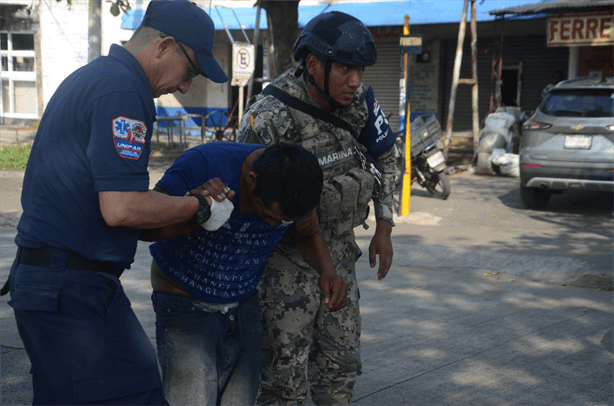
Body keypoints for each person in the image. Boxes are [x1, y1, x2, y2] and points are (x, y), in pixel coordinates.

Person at [0, 1, 229, 404]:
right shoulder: (124, 89)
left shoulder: (100, 77)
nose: (184, 87)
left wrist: (180, 213)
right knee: (136, 392)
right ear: (164, 46)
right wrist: (199, 206)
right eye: (190, 71)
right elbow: (122, 208)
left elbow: (121, 213)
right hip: (70, 289)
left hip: (56, 283)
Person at [236, 11, 396, 405]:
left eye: (359, 70)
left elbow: (387, 157)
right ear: (313, 64)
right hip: (284, 267)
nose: (355, 80)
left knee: (340, 368)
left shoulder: (358, 102)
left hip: (340, 257)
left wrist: (385, 225)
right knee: (283, 382)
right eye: (345, 69)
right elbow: (245, 199)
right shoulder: (269, 118)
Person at [140, 142, 347, 406]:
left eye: (282, 221)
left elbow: (308, 231)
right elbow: (142, 227)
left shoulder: (298, 186)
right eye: (269, 215)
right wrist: (196, 207)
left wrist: (327, 271)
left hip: (243, 304)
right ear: (251, 181)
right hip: (184, 303)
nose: (272, 225)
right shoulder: (204, 163)